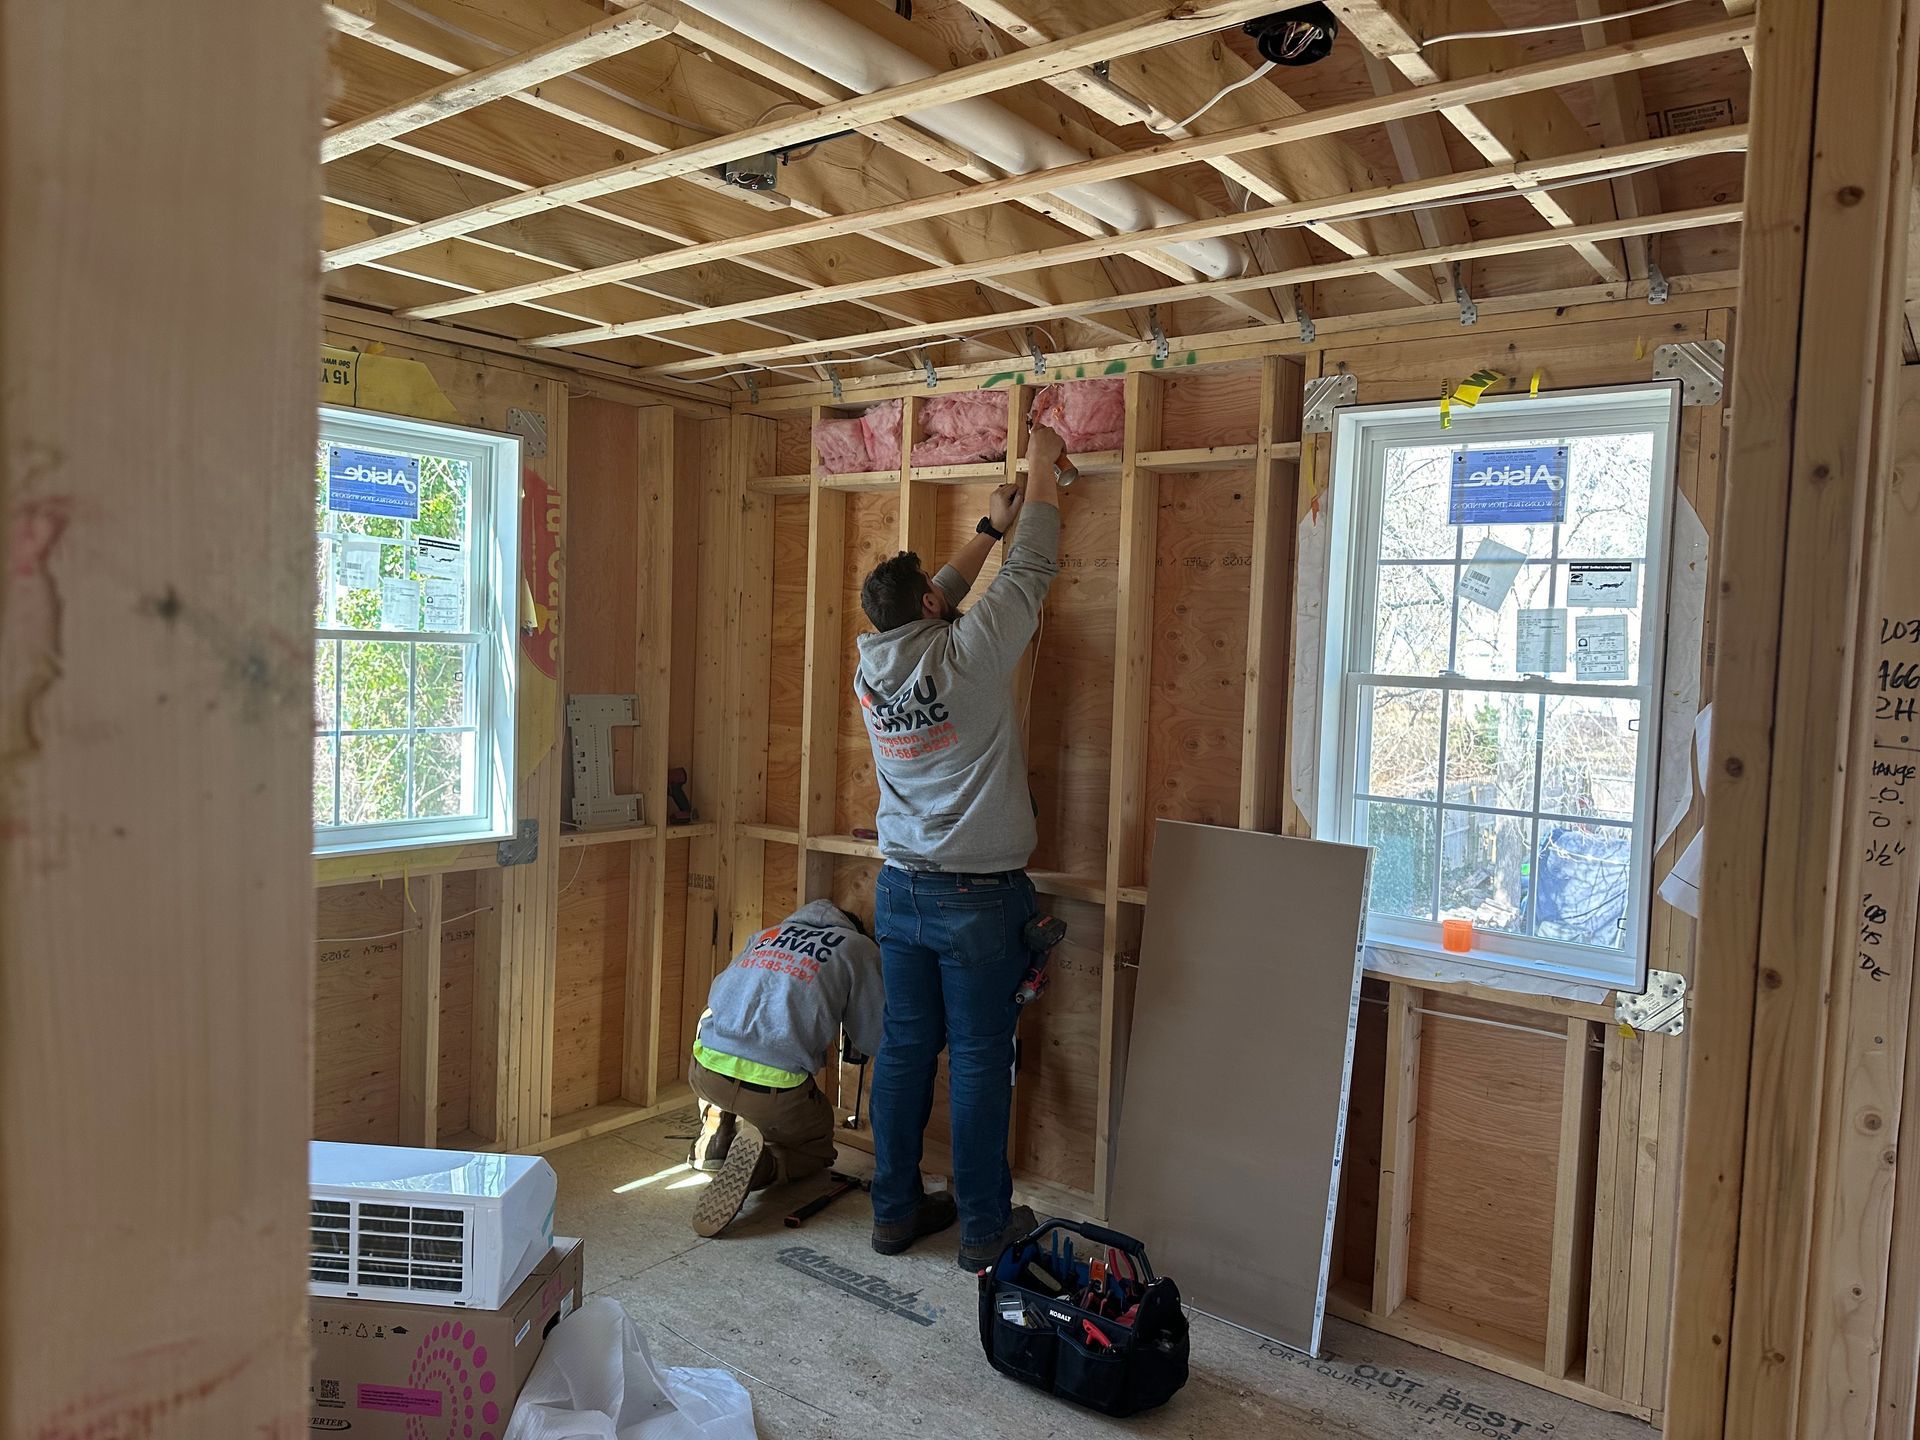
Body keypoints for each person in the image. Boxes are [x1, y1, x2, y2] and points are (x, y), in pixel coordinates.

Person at [853, 422, 1070, 1270]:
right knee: (981, 1058)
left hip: (900, 891)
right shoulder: (970, 656)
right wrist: (1045, 469)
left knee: (906, 1049)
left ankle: (894, 1214)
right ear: (936, 612)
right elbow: (1034, 573)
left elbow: (924, 600)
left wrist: (987, 528)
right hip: (978, 899)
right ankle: (983, 1229)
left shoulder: (872, 663)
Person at [685, 899, 883, 1239]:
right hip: (772, 1095)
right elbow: (873, 1037)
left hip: (705, 1070)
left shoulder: (765, 934)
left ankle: (718, 1131)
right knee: (817, 1147)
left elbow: (720, 993)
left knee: (734, 1062)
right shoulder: (858, 948)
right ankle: (763, 1166)